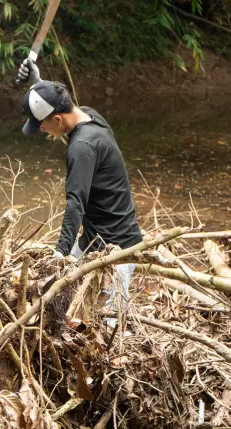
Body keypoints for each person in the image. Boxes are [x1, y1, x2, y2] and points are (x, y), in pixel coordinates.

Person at [17, 58, 141, 315]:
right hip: (92, 241)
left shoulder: (81, 147)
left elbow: (76, 203)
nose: (41, 130)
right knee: (65, 310)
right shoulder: (89, 115)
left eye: (41, 124)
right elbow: (57, 99)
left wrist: (59, 254)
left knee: (106, 326)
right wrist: (37, 86)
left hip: (115, 250)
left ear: (58, 119)